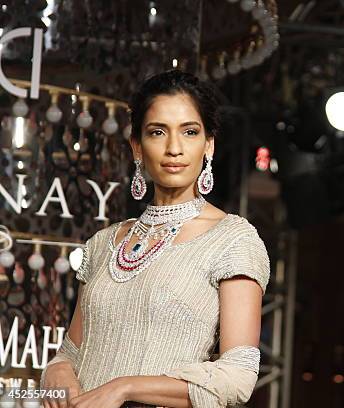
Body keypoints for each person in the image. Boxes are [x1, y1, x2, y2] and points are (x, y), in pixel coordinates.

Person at [40, 70, 270, 408]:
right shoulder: (104, 243)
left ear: (209, 145)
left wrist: (125, 388)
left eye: (189, 132)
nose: (174, 148)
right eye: (157, 132)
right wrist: (56, 373)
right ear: (137, 146)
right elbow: (71, 353)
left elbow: (236, 376)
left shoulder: (232, 240)